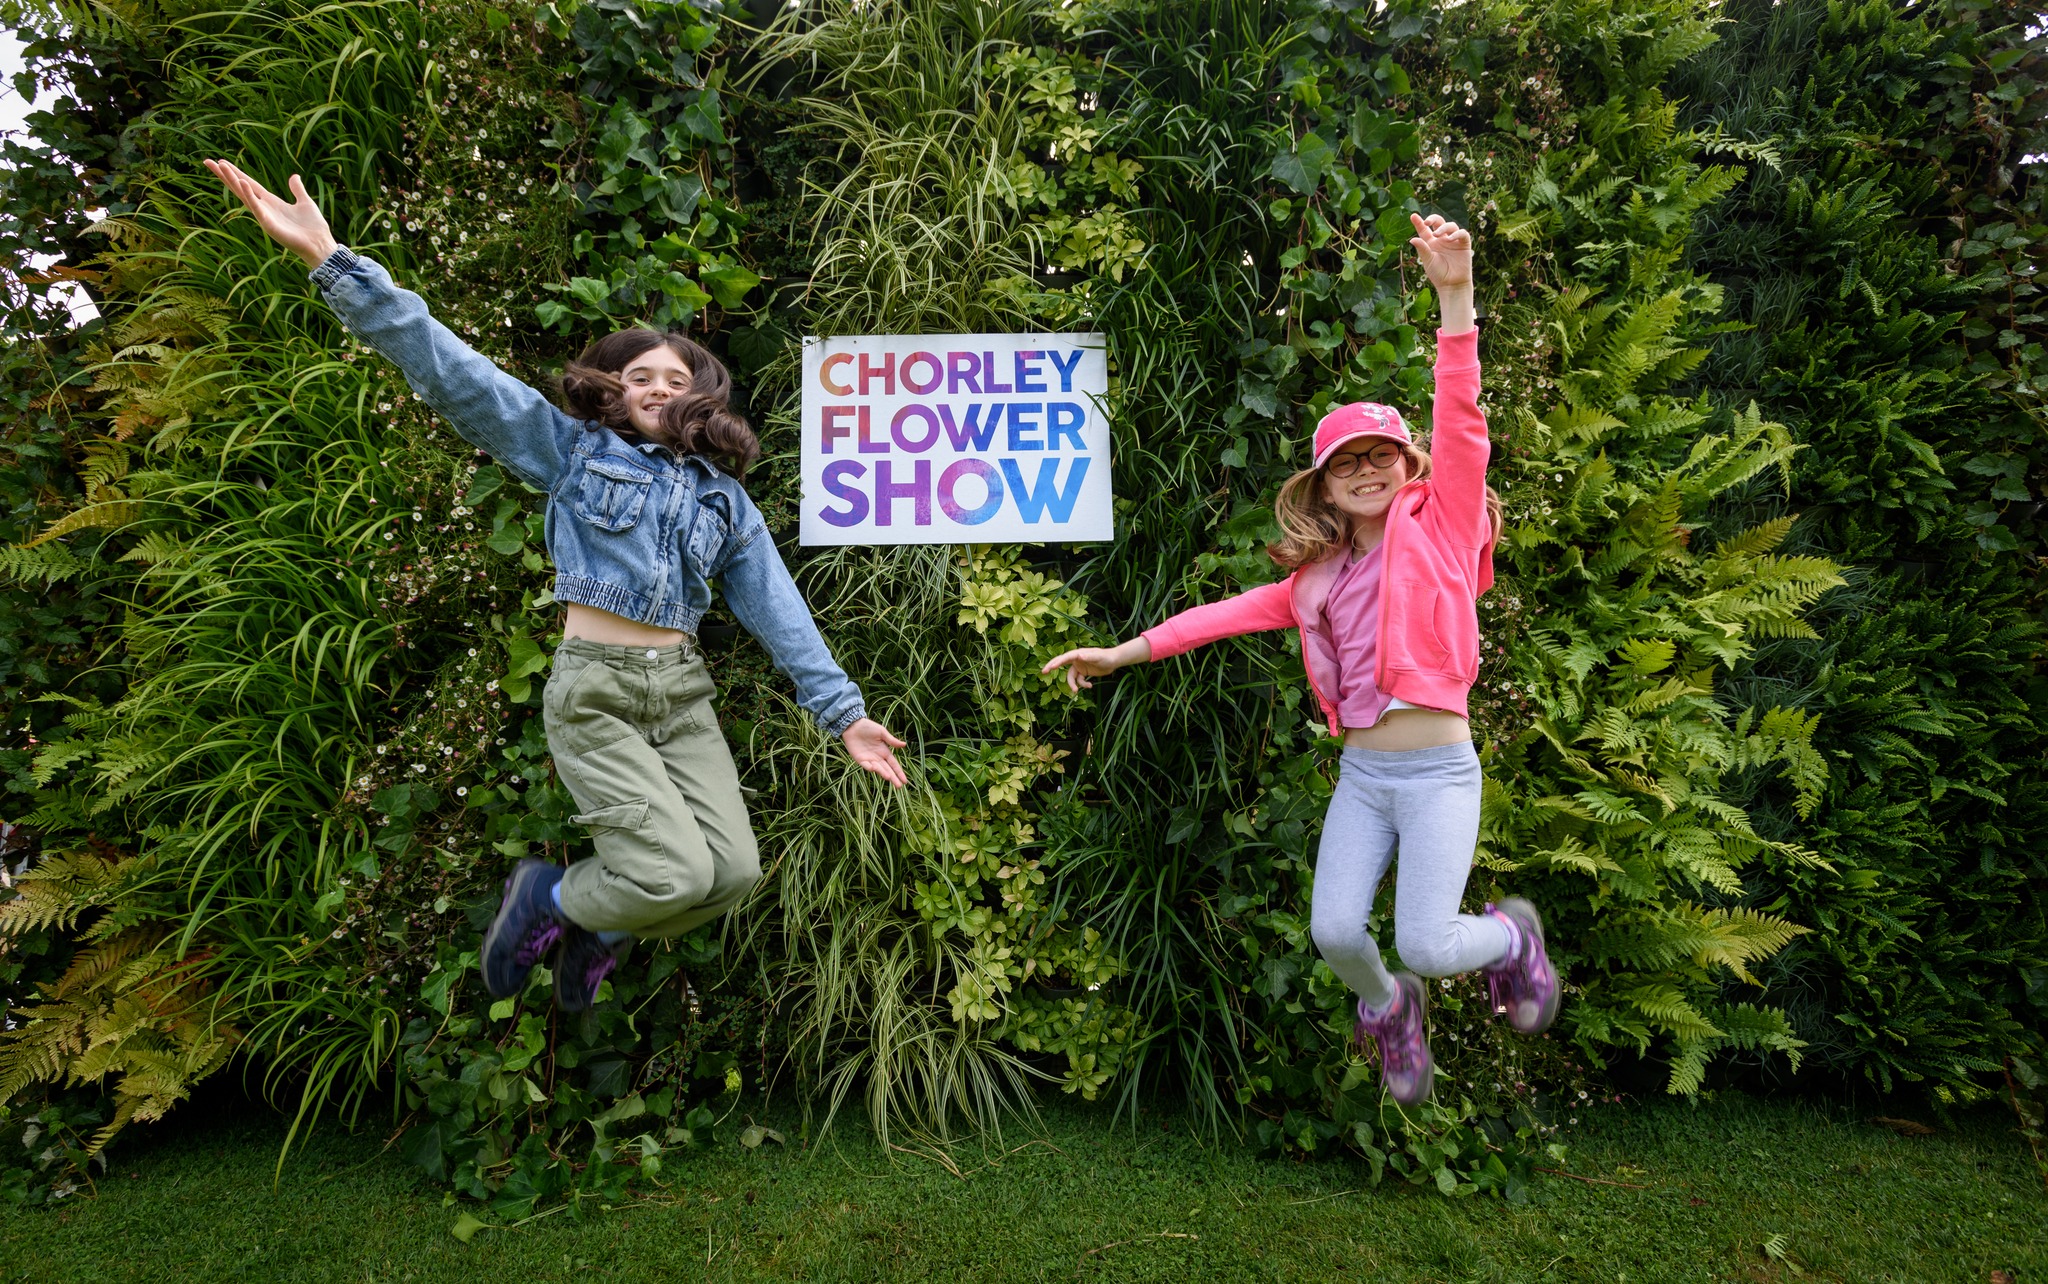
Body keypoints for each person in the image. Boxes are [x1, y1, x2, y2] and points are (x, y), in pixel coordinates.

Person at [206, 161, 909, 1014]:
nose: (655, 387)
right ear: (610, 391)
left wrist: (844, 715)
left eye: (675, 380)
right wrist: (334, 263)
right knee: (673, 871)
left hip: (681, 693)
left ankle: (596, 931)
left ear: (703, 399)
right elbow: (458, 374)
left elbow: (776, 606)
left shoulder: (727, 502)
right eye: (637, 376)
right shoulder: (573, 453)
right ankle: (547, 898)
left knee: (731, 876)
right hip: (598, 691)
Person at [1042, 213, 1557, 1105]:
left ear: (1407, 465)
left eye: (1381, 455)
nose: (1366, 470)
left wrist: (1455, 300)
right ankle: (1389, 1011)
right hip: (1363, 778)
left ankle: (1512, 940)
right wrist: (1122, 652)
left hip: (1439, 772)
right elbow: (1216, 617)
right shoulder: (1314, 580)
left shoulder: (1443, 525)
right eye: (1345, 462)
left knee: (1431, 941)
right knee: (1335, 936)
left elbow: (1461, 418)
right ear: (1320, 483)